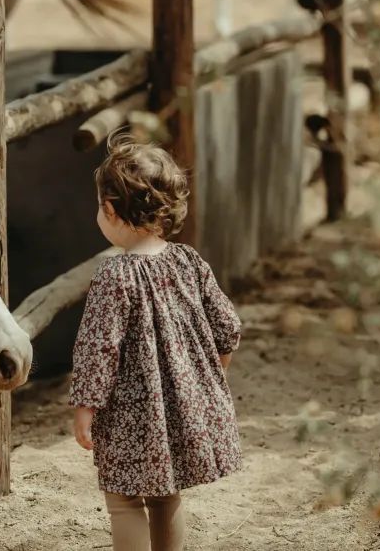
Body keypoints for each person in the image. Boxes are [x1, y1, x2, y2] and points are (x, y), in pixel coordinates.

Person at [69, 132, 243, 551]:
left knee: (124, 500)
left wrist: (85, 408)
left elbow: (98, 350)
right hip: (182, 407)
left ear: (110, 210)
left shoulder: (114, 275)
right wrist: (210, 377)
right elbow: (228, 326)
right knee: (167, 495)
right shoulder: (188, 261)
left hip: (129, 416)